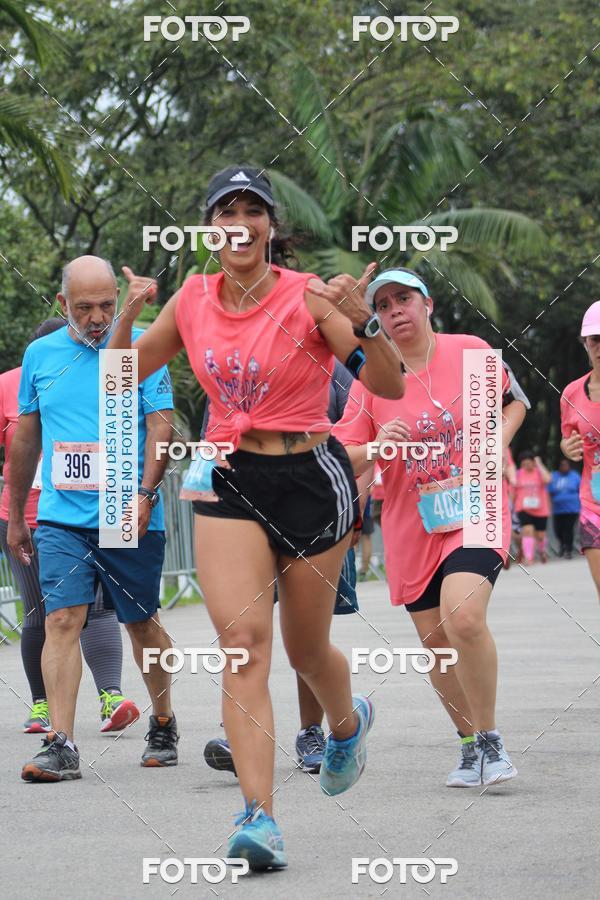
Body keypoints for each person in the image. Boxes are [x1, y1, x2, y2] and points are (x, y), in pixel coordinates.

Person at [107, 165, 404, 870]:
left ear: (270, 227)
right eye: (226, 211)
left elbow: (389, 382)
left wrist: (361, 318)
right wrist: (126, 312)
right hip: (230, 477)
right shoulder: (193, 299)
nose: (240, 222)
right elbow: (120, 376)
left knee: (306, 652)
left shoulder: (310, 297)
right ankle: (259, 818)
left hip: (309, 476)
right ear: (211, 229)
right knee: (242, 644)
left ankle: (344, 723)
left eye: (253, 210)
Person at [333, 267, 528, 789]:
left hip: (477, 506)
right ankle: (469, 747)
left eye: (404, 299)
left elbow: (516, 401)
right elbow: (341, 455)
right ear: (375, 319)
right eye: (383, 305)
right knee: (438, 644)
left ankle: (491, 741)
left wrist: (494, 444)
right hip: (409, 523)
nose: (395, 310)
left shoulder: (468, 351)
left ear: (428, 305)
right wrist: (378, 446)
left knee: (463, 617)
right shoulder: (372, 381)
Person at [8, 256, 177, 782]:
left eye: (108, 305)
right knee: (61, 619)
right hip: (61, 516)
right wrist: (16, 514)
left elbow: (161, 426)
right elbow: (27, 437)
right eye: (84, 308)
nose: (98, 317)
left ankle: (164, 720)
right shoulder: (41, 355)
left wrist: (147, 492)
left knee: (140, 622)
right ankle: (61, 743)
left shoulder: (141, 345)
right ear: (63, 305)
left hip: (128, 508)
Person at [202, 359, 361, 776]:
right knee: (242, 638)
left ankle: (315, 731)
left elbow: (357, 441)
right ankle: (244, 733)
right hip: (241, 506)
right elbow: (212, 439)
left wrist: (357, 514)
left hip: (315, 506)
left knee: (305, 644)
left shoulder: (329, 359)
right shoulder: (222, 356)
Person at [0, 318, 139, 734]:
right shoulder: (10, 383)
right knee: (42, 612)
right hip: (25, 514)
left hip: (95, 511)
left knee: (95, 607)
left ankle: (110, 696)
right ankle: (43, 705)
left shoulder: (107, 370)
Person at [560, 300, 600, 598]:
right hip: (593, 504)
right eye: (595, 340)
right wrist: (566, 446)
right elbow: (568, 439)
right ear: (585, 343)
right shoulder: (572, 393)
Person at [514, 451, 551, 563]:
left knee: (540, 535)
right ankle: (529, 558)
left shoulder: (539, 472)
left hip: (540, 509)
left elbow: (548, 480)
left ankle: (542, 551)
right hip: (523, 508)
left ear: (533, 462)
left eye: (529, 463)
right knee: (527, 530)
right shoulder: (518, 474)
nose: (526, 466)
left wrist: (539, 464)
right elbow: (512, 491)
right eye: (524, 464)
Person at [548, 459, 581, 559]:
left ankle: (568, 550)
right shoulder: (554, 476)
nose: (564, 467)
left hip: (572, 508)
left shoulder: (574, 476)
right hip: (558, 509)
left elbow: (581, 489)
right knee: (558, 530)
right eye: (562, 465)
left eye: (566, 465)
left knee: (568, 529)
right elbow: (549, 492)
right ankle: (562, 545)